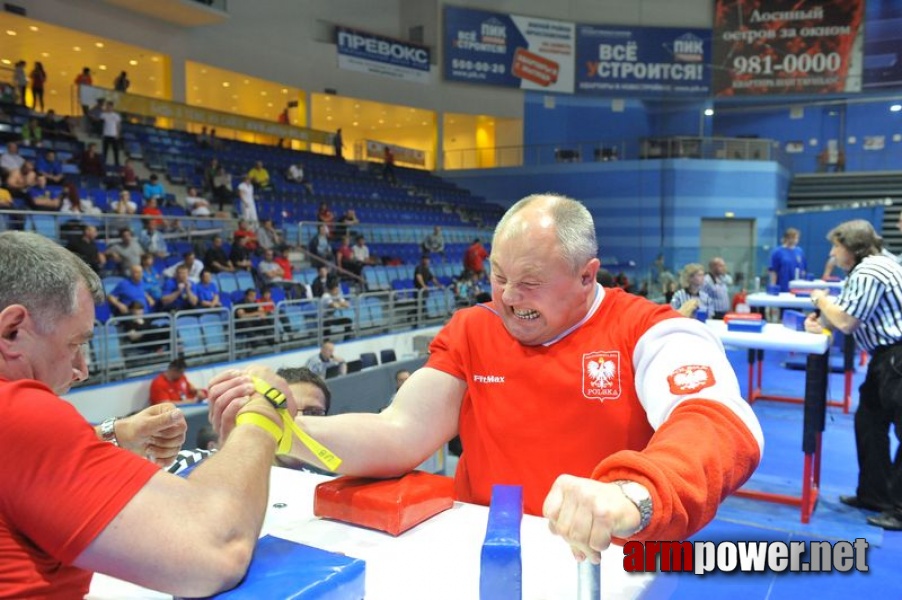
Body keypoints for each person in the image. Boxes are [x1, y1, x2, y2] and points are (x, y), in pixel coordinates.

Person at [209, 193, 763, 564]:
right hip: (480, 553)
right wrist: (282, 429)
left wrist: (634, 494)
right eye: (497, 276)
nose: (507, 298)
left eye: (529, 282)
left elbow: (721, 422)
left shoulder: (650, 331)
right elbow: (398, 432)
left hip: (601, 561)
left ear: (586, 275)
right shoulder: (473, 328)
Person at [0, 230, 290, 597]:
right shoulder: (20, 412)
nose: (81, 368)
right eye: (75, 344)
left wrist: (114, 434)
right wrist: (263, 412)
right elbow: (215, 549)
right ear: (11, 331)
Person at [804, 220, 902, 530]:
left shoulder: (869, 271)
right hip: (886, 358)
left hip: (895, 357)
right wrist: (821, 319)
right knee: (869, 422)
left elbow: (846, 321)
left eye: (836, 246)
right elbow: (842, 315)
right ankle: (875, 495)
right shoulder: (873, 267)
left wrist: (820, 300)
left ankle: (898, 508)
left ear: (853, 249)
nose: (833, 253)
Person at [769, 227, 806, 292]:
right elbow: (773, 271)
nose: (796, 240)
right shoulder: (778, 252)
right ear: (788, 238)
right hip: (783, 286)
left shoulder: (799, 251)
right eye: (794, 238)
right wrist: (773, 286)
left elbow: (803, 269)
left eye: (797, 238)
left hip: (797, 288)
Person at [99, 101, 122, 167]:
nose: (109, 108)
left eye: (110, 107)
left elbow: (118, 125)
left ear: (112, 107)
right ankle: (104, 162)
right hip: (106, 134)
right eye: (108, 107)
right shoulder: (103, 115)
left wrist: (118, 134)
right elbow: (101, 124)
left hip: (113, 134)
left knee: (115, 150)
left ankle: (116, 163)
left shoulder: (116, 116)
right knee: (105, 150)